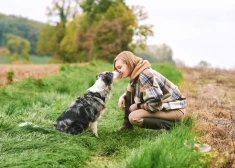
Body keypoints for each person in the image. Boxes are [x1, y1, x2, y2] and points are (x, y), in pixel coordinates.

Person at [113, 51, 187, 130]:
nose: (118, 72)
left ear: (129, 63)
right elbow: (137, 90)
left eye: (120, 67)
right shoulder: (136, 74)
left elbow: (155, 104)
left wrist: (138, 106)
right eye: (116, 69)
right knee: (130, 87)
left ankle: (174, 126)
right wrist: (123, 96)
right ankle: (127, 125)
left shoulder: (144, 75)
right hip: (166, 107)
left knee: (134, 117)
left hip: (175, 110)